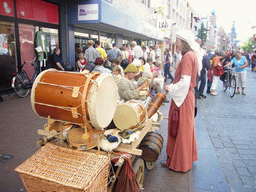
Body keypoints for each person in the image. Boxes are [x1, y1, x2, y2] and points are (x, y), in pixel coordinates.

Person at [162, 29, 199, 172]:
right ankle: (185, 159)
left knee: (180, 129)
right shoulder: (191, 55)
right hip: (186, 97)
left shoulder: (188, 56)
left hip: (183, 99)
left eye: (177, 40)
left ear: (183, 41)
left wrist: (169, 87)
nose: (176, 42)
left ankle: (179, 163)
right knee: (185, 129)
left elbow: (185, 82)